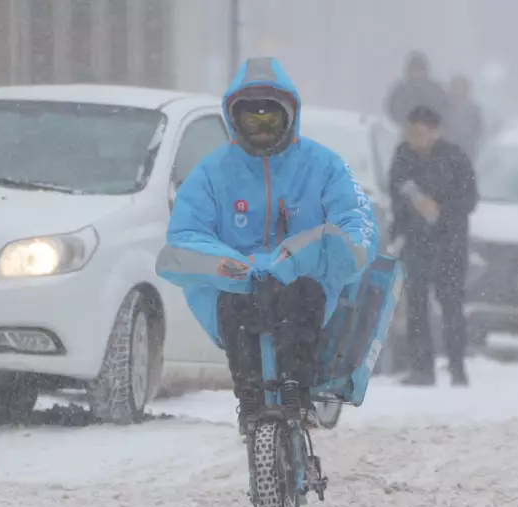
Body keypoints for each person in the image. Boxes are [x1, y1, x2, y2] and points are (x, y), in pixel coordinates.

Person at [156, 57, 379, 435]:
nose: (260, 130)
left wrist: (305, 256)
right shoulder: (211, 173)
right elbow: (185, 234)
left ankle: (298, 394)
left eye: (270, 119)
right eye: (250, 119)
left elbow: (356, 223)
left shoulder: (324, 166)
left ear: (290, 116)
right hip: (237, 287)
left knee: (303, 294)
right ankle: (250, 400)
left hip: (305, 286)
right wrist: (235, 266)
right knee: (235, 307)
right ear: (233, 119)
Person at [387, 105, 477, 387]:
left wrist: (441, 209)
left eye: (422, 133)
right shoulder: (403, 156)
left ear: (435, 133)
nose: (416, 138)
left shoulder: (455, 158)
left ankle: (457, 368)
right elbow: (395, 190)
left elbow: (469, 199)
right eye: (412, 132)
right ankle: (421, 369)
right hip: (416, 244)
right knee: (416, 307)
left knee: (451, 307)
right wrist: (402, 222)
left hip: (449, 245)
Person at [384, 50, 448, 130]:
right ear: (409, 71)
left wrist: (430, 123)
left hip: (432, 132)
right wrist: (408, 123)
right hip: (409, 132)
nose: (418, 73)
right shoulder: (401, 90)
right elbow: (394, 110)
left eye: (421, 69)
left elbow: (443, 108)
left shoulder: (435, 89)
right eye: (415, 69)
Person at [443, 74, 484, 160]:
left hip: (467, 151)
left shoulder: (473, 110)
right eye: (455, 87)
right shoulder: (444, 107)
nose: (457, 91)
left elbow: (479, 130)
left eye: (460, 88)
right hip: (446, 151)